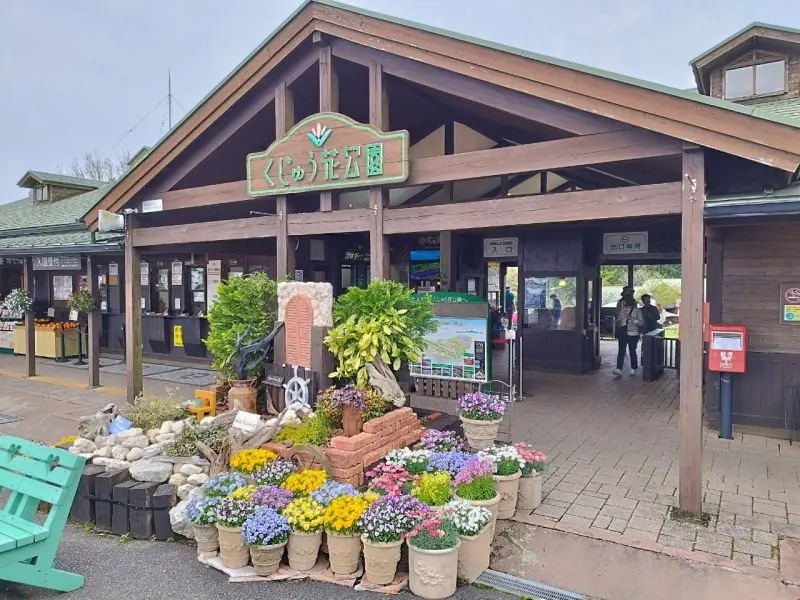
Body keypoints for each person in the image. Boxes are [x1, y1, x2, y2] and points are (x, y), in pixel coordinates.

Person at [614, 294, 644, 377]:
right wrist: (618, 322)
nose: (622, 302)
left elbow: (641, 323)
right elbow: (620, 319)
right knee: (621, 351)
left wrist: (631, 319)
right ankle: (619, 368)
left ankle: (633, 368)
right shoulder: (622, 311)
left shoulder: (637, 311)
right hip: (623, 332)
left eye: (623, 301)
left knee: (632, 351)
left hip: (633, 333)